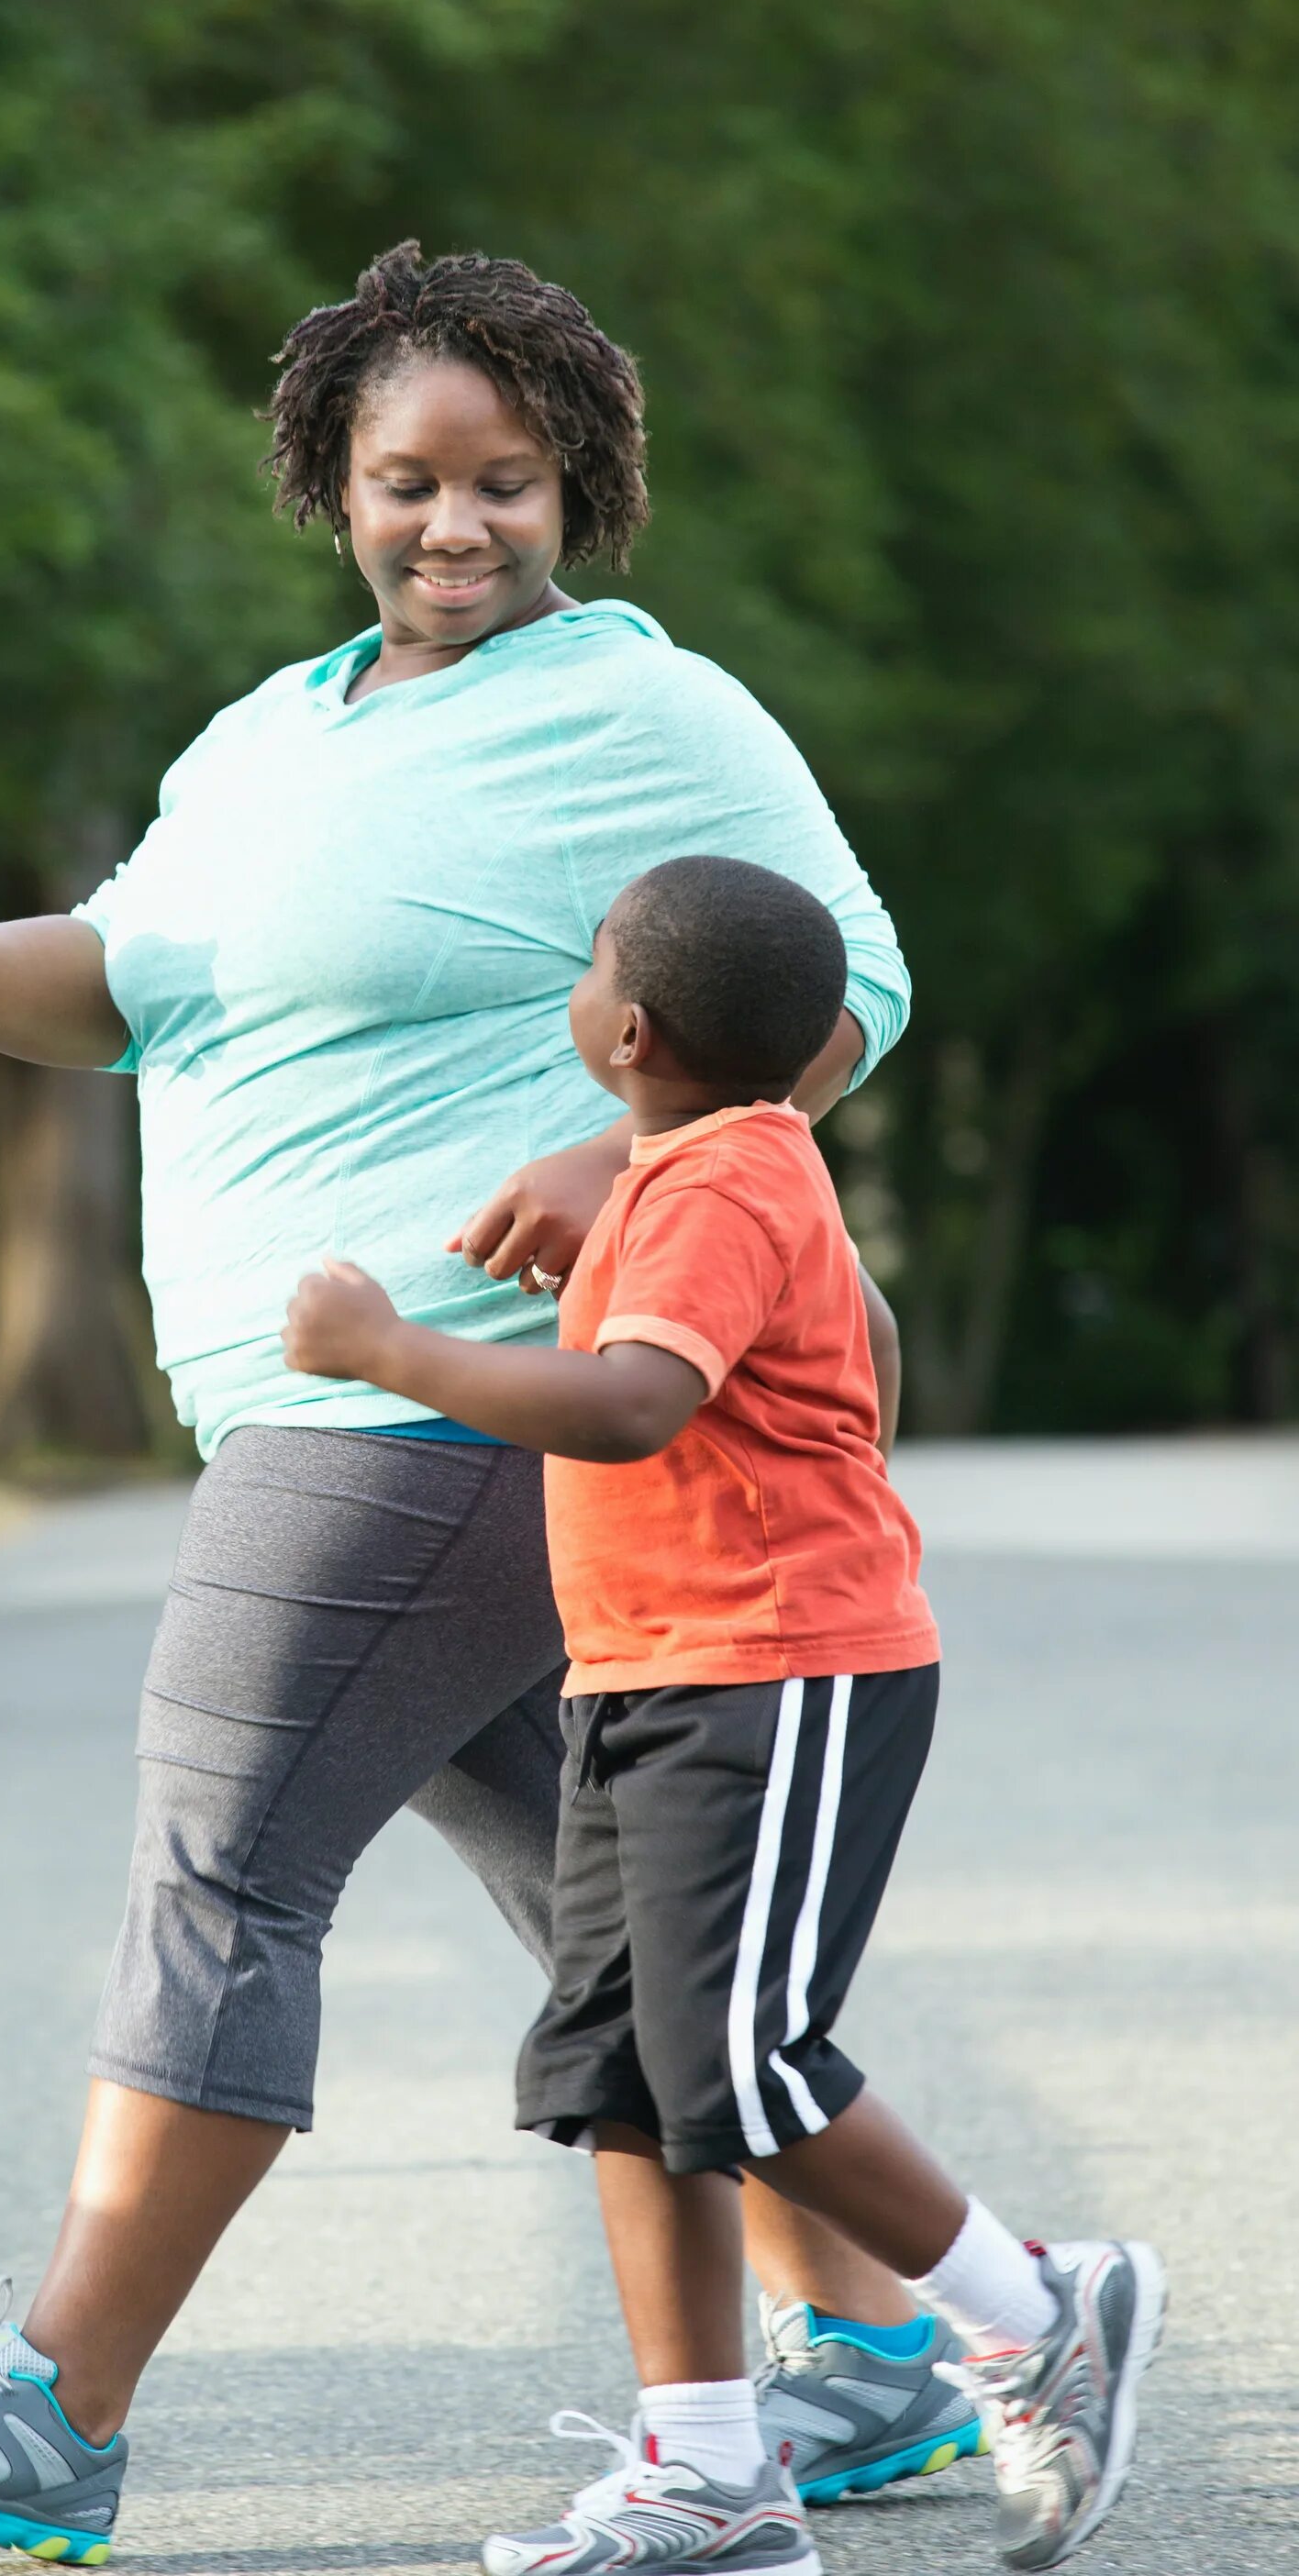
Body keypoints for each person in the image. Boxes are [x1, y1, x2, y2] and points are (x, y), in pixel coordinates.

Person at [0, 243, 962, 2566]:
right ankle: (898, 2347)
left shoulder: (650, 713)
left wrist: (628, 1150)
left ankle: (49, 2407)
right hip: (319, 1417)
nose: (457, 525)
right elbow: (114, 985)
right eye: (408, 481)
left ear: (574, 487)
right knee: (618, 1942)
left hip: (424, 1411)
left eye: (506, 481)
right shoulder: (265, 737)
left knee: (219, 1860)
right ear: (333, 484)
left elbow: (848, 982)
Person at [282, 853, 1165, 2576]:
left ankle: (1034, 2310)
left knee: (737, 2065)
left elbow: (624, 1410)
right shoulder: (707, 1167)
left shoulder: (716, 1189)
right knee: (620, 2070)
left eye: (594, 961)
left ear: (623, 1026)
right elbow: (855, 1362)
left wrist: (392, 1355)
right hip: (654, 1670)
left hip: (775, 1678)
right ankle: (707, 2472)